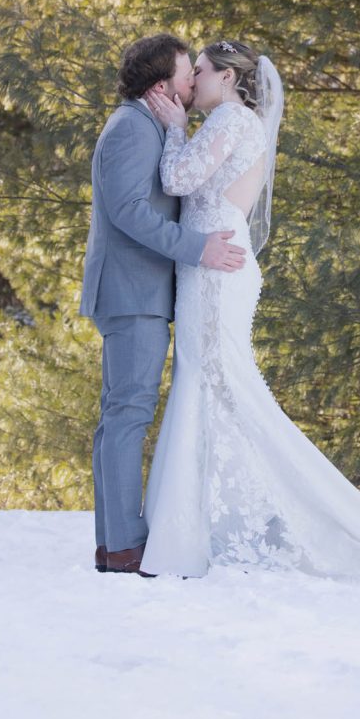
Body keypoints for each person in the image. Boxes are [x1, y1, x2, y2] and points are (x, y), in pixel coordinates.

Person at [138, 38, 360, 580]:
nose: (190, 81)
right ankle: (197, 527)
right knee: (205, 385)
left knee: (218, 385)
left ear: (226, 77)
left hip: (216, 274)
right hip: (210, 266)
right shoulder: (233, 122)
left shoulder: (229, 121)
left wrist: (174, 129)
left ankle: (269, 521)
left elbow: (177, 180)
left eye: (198, 71)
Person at [80, 33, 247, 574]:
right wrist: (197, 247)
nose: (191, 82)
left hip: (140, 293)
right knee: (127, 416)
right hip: (133, 294)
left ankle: (116, 544)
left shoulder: (148, 125)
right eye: (185, 73)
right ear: (162, 85)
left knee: (120, 418)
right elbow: (129, 211)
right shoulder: (132, 127)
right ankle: (125, 546)